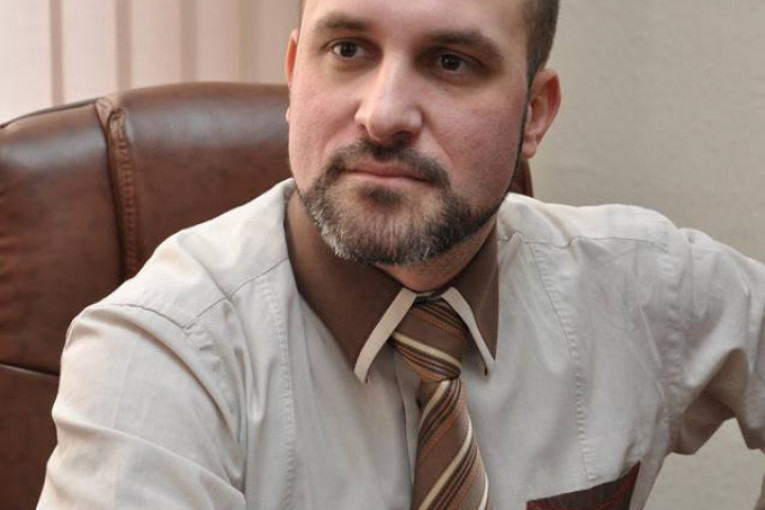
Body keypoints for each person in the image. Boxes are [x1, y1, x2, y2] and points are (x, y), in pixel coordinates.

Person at [38, 0, 765, 508]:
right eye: (347, 50)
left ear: (533, 114)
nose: (382, 114)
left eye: (451, 61)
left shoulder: (642, 284)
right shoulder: (160, 355)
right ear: (295, 73)